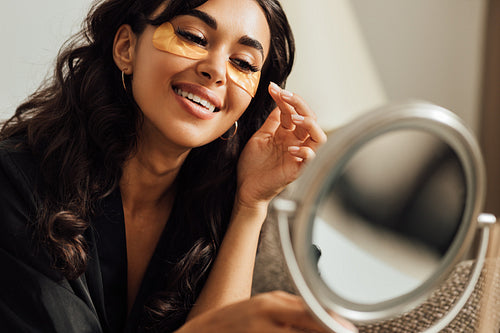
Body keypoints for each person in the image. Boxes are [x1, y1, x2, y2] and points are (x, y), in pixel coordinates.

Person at [0, 0, 344, 332]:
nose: (216, 70)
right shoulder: (14, 182)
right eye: (194, 38)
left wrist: (250, 205)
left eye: (243, 63)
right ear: (126, 48)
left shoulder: (235, 209)